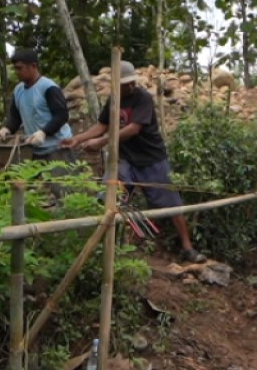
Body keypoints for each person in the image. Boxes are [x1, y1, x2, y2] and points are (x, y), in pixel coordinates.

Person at [62, 60, 203, 262]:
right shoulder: (113, 100)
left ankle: (187, 247)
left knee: (173, 204)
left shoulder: (142, 98)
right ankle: (109, 248)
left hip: (151, 158)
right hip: (125, 159)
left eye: (131, 82)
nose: (129, 86)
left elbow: (133, 129)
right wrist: (78, 138)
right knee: (109, 197)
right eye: (124, 83)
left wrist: (102, 142)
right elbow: (101, 125)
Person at [0, 49, 75, 163]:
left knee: (59, 175)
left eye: (20, 68)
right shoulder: (18, 90)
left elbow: (61, 115)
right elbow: (16, 117)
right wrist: (7, 129)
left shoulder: (48, 87)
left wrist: (44, 132)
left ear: (33, 66)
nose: (17, 72)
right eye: (15, 68)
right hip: (34, 148)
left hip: (58, 147)